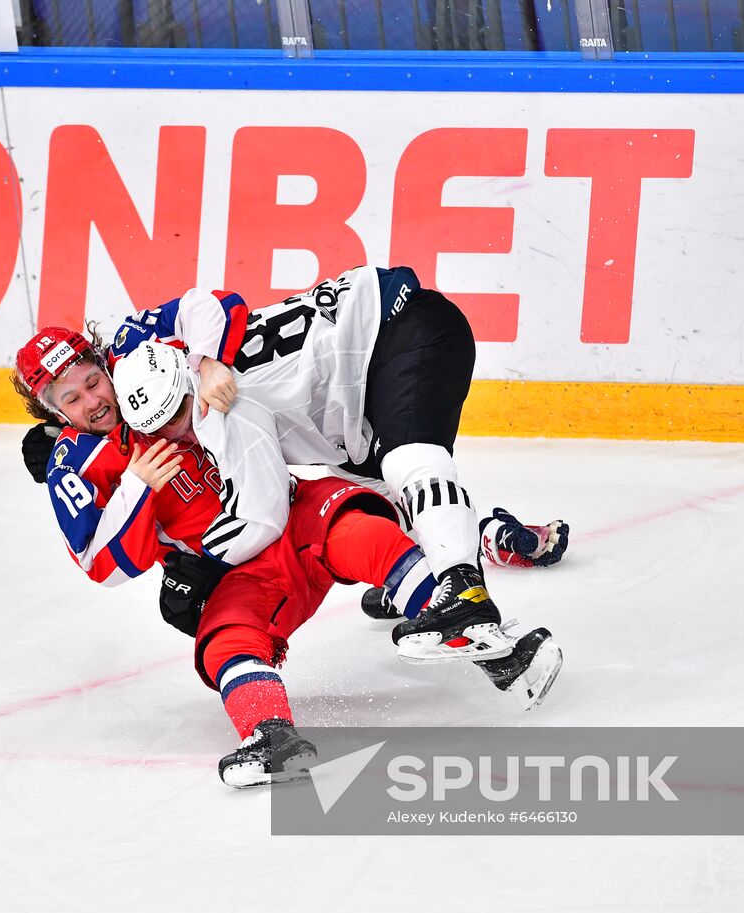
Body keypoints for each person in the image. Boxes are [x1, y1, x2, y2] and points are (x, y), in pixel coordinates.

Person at [13, 327, 561, 787]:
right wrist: (135, 487)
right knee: (224, 636)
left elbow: (220, 311)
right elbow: (100, 567)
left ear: (103, 363)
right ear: (51, 410)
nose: (93, 401)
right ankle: (270, 735)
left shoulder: (145, 354)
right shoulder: (76, 464)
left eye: (92, 381)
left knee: (363, 531)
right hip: (236, 572)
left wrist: (206, 363)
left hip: (292, 511)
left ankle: (496, 650)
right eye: (71, 399)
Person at [108, 266, 566, 665]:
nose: (178, 430)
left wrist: (207, 563)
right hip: (361, 381)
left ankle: (464, 592)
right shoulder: (189, 365)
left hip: (397, 332)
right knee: (382, 499)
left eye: (178, 412)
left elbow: (263, 516)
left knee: (409, 459)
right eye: (162, 426)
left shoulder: (220, 406)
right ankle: (490, 537)